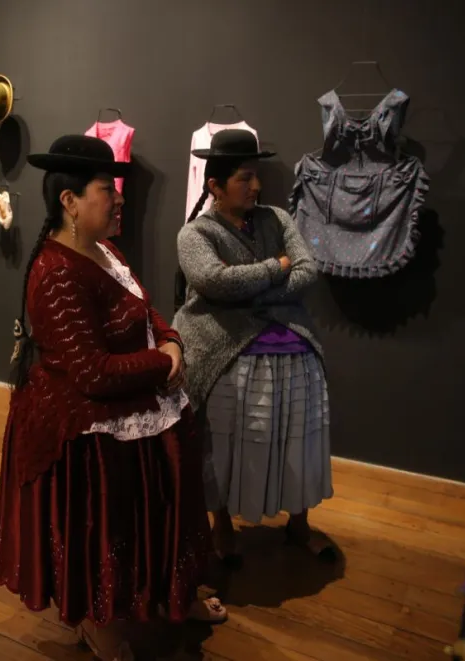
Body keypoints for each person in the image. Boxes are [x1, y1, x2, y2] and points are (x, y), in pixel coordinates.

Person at [0, 135, 226, 661]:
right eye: (107, 189)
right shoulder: (53, 274)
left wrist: (171, 339)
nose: (119, 198)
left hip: (134, 400)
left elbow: (144, 308)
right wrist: (164, 361)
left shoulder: (103, 249)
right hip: (85, 423)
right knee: (105, 529)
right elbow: (92, 373)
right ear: (70, 201)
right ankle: (97, 620)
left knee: (169, 507)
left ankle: (174, 591)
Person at [172, 129, 335, 566]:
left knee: (296, 440)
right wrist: (274, 269)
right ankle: (221, 524)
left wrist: (252, 288)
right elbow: (212, 281)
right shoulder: (194, 235)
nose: (257, 187)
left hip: (293, 349)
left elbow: (307, 270)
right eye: (245, 178)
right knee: (222, 445)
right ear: (215, 187)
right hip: (225, 351)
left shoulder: (277, 219)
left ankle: (298, 523)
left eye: (256, 176)